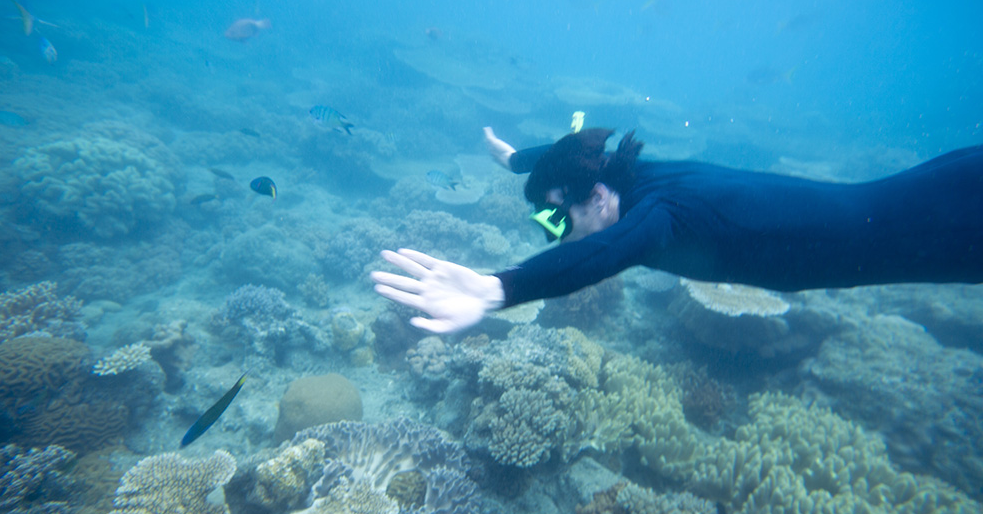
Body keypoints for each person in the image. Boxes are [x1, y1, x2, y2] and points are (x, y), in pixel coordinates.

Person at [371, 127, 983, 333]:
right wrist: (515, 161)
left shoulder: (658, 218)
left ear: (600, 195)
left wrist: (497, 289)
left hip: (931, 230)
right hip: (921, 200)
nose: (556, 231)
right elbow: (574, 157)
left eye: (559, 217)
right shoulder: (626, 177)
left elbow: (604, 254)